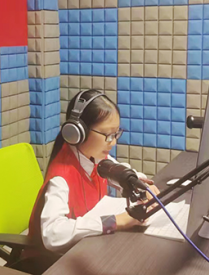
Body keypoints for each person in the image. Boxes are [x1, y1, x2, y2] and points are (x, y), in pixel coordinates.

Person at [24, 89, 160, 271]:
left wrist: (138, 183)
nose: (113, 142)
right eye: (108, 135)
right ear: (78, 133)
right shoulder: (60, 178)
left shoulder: (94, 157)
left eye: (116, 134)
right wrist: (114, 221)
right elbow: (53, 234)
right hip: (50, 263)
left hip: (86, 249)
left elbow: (118, 171)